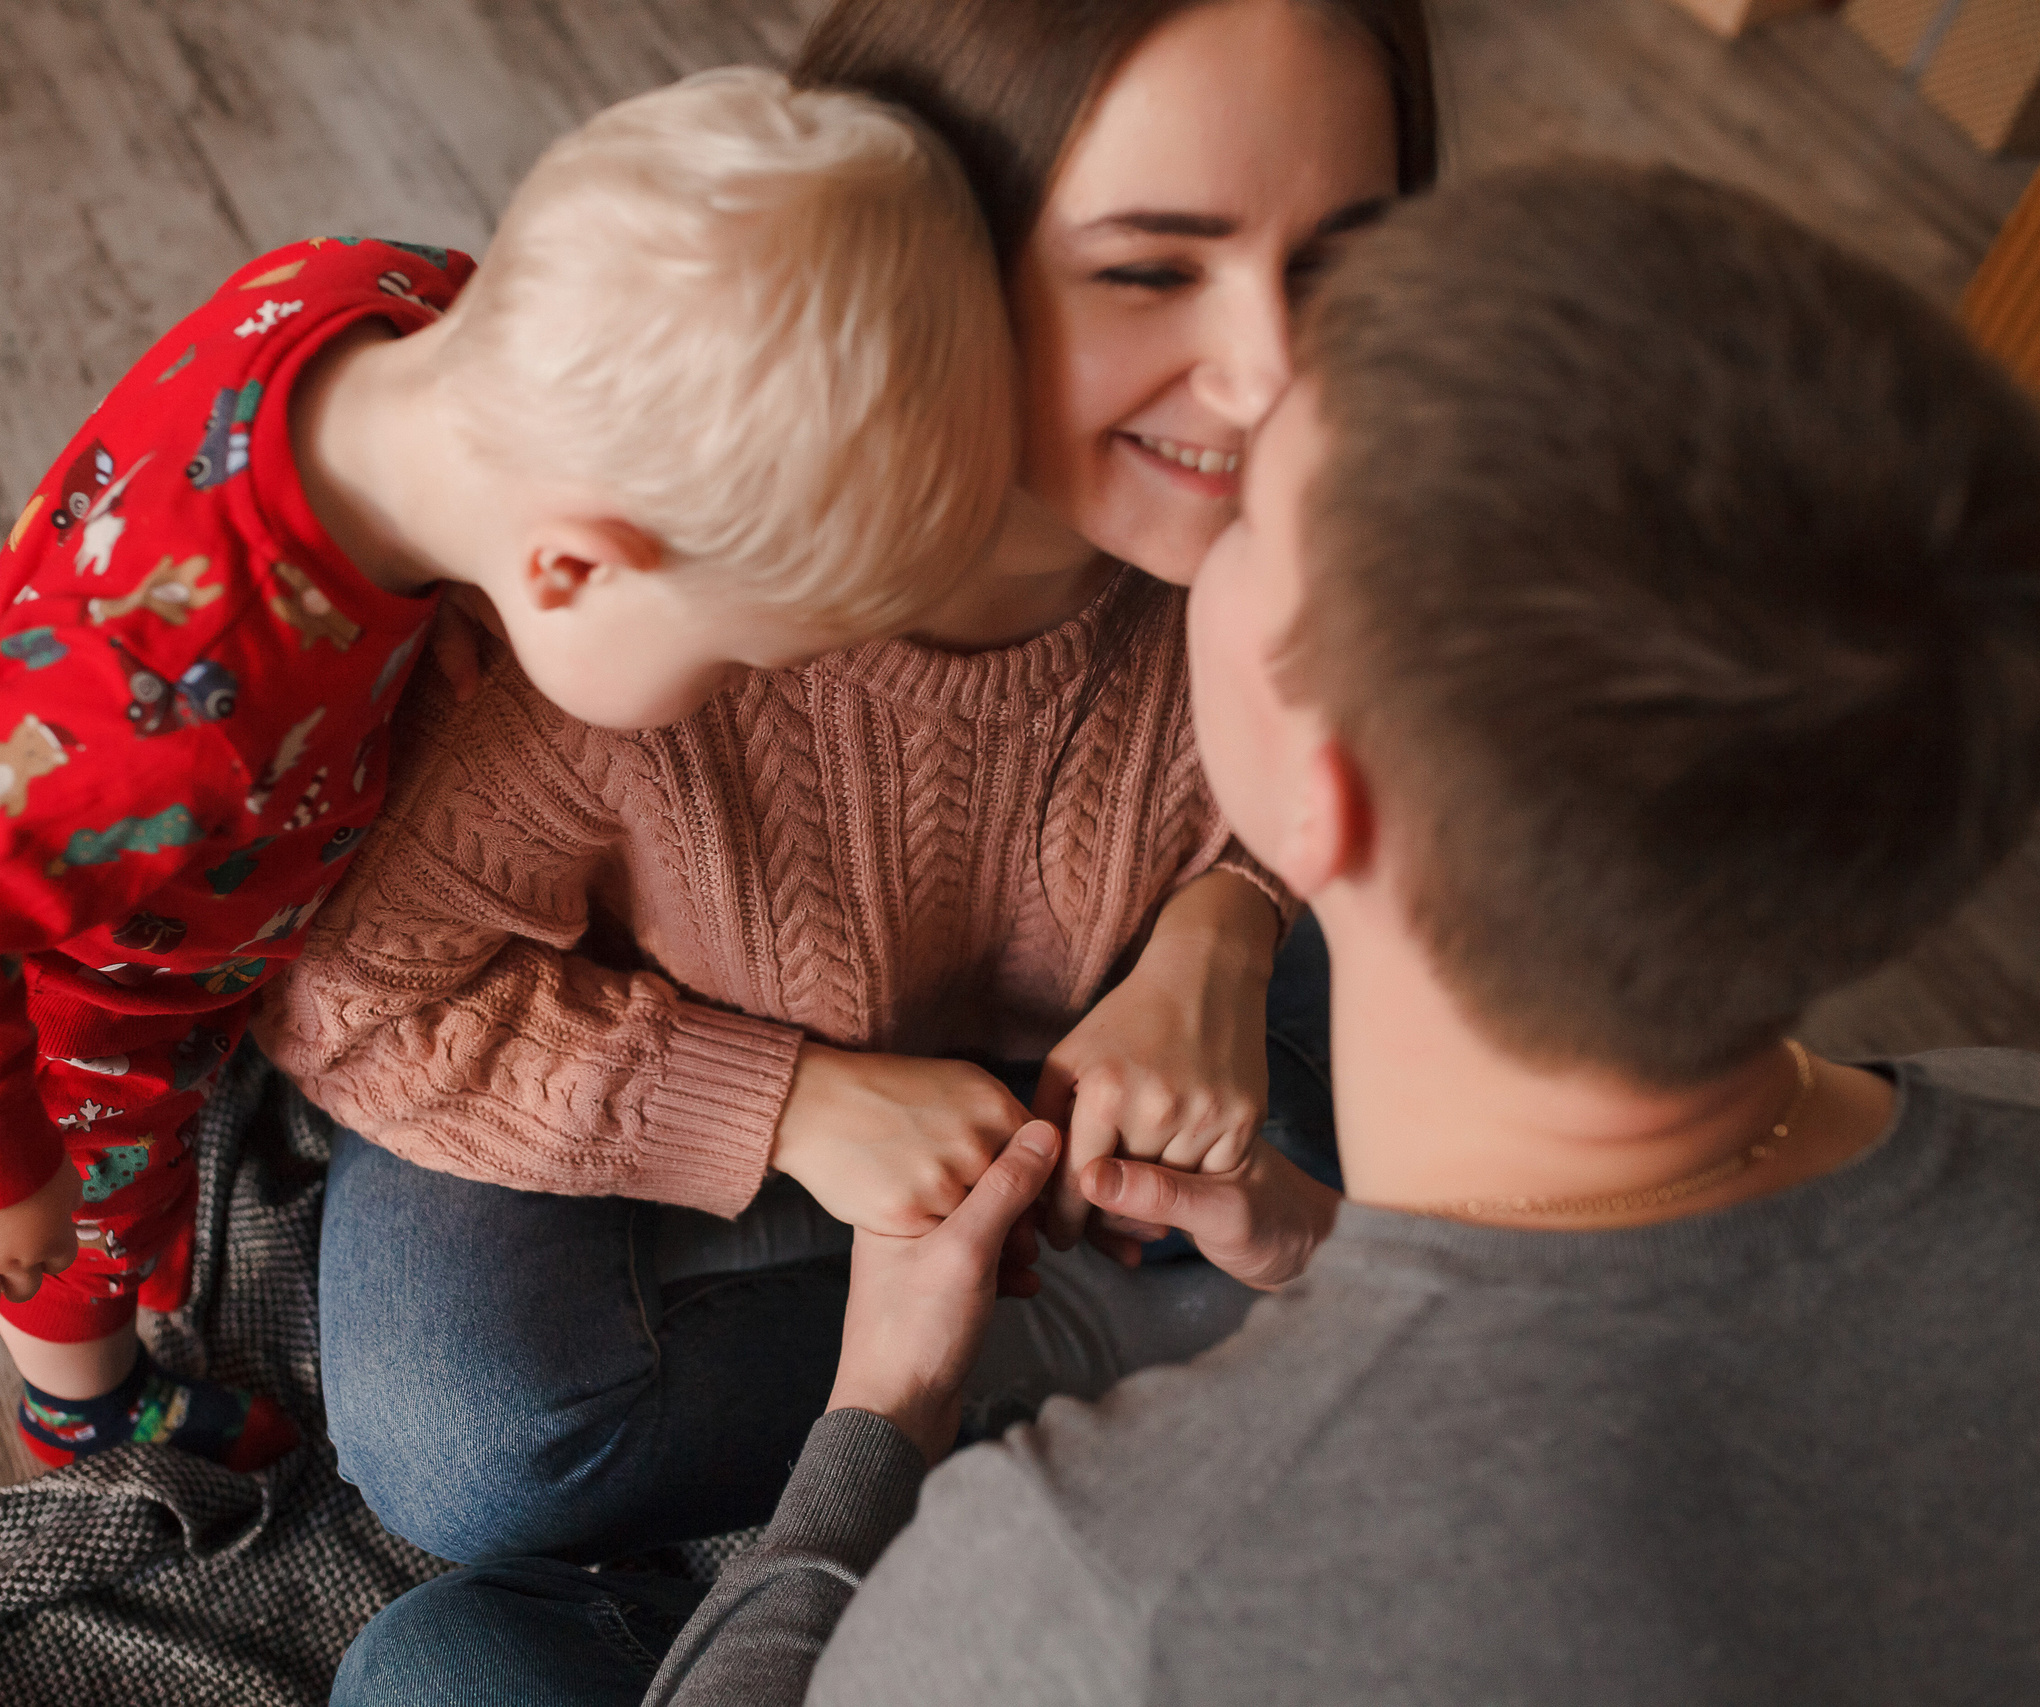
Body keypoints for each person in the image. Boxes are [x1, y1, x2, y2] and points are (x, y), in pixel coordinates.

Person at [336, 160, 2040, 1704]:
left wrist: (881, 1418)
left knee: (435, 1662)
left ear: (1320, 795)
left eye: (1263, 521)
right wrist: (1313, 1254)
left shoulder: (1097, 1580)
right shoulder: (2008, 1110)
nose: (1231, 404)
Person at [262, 0, 1436, 1560]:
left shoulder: (1327, 475)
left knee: (1514, 1061)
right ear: (929, 254)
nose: (1269, 375)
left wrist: (1223, 924)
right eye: (1150, 271)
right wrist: (789, 1105)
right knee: (469, 1436)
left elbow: (1386, 710)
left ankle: (1096, 1322)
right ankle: (1088, 1347)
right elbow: (351, 998)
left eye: (1335, 265)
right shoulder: (640, 616)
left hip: (1085, 1032)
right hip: (645, 1020)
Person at [0, 67, 1017, 1470]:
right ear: (568, 568)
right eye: (735, 661)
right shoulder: (179, 715)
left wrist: (447, 588)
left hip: (175, 809)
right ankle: (84, 1404)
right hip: (110, 975)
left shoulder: (384, 297)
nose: (739, 697)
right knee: (99, 1209)